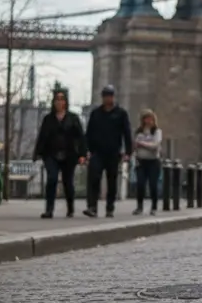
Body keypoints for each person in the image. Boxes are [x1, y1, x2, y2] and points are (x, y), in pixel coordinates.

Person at [33, 88, 86, 218]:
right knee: (52, 179)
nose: (59, 102)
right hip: (51, 154)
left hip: (69, 154)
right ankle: (49, 209)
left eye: (62, 99)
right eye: (57, 99)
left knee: (68, 181)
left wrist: (82, 154)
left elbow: (81, 137)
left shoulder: (73, 118)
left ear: (66, 102)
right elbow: (42, 136)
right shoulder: (48, 119)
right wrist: (37, 153)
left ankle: (70, 208)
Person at [84, 84, 132, 218]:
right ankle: (92, 206)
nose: (107, 99)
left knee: (112, 181)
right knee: (94, 179)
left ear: (113, 97)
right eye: (105, 96)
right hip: (97, 152)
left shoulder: (121, 114)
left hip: (113, 152)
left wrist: (128, 152)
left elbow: (127, 133)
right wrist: (86, 150)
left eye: (110, 96)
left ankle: (110, 207)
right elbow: (89, 133)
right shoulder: (96, 113)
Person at [132, 109, 163, 215]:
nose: (149, 121)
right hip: (141, 161)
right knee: (140, 184)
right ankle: (139, 206)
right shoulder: (139, 132)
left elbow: (155, 145)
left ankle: (154, 207)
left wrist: (142, 144)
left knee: (153, 184)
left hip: (153, 161)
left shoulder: (157, 131)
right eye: (146, 119)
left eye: (151, 119)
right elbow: (135, 145)